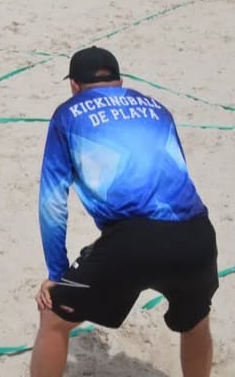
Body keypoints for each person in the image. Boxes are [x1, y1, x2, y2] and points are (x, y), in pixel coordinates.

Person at [30, 47, 217, 377]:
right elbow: (179, 171)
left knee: (54, 319)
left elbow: (53, 202)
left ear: (74, 85)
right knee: (196, 322)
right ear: (119, 81)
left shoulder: (68, 114)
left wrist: (57, 274)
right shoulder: (157, 108)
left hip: (134, 240)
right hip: (197, 233)